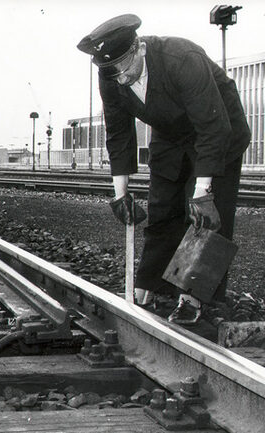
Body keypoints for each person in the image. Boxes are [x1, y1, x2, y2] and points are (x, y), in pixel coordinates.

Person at [77, 14, 250, 325]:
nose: (120, 78)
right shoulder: (111, 74)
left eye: (123, 67)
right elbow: (118, 135)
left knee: (205, 216)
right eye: (110, 71)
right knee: (162, 204)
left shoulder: (181, 59)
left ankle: (192, 297)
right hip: (171, 133)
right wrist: (121, 195)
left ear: (139, 48)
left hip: (219, 130)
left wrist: (202, 190)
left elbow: (213, 128)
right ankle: (148, 286)